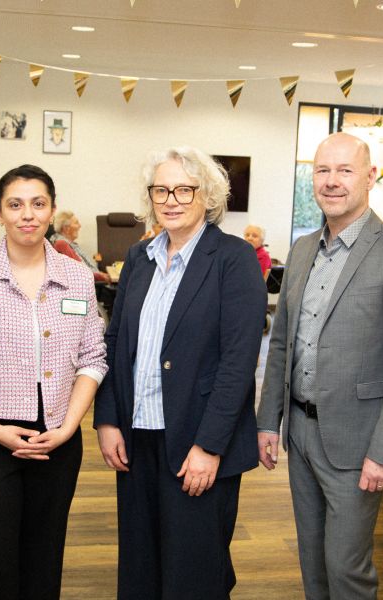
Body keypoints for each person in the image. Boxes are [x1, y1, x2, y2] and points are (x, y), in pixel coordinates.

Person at [256, 132, 383, 599]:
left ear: (371, 177)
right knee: (312, 561)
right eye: (321, 170)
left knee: (347, 568)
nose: (331, 182)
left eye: (344, 170)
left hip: (359, 443)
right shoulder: (301, 250)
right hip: (300, 430)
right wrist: (268, 421)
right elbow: (282, 346)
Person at [94, 147, 266, 599]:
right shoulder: (138, 257)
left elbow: (238, 362)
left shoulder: (233, 258)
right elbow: (115, 344)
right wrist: (108, 418)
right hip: (138, 438)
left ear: (206, 195)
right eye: (161, 190)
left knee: (194, 573)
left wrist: (209, 446)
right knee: (141, 567)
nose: (170, 199)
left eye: (183, 190)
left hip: (196, 442)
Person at [0, 164, 107, 599]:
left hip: (58, 440)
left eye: (38, 203)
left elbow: (93, 358)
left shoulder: (77, 277)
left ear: (51, 211)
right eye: (15, 204)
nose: (26, 214)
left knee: (43, 560)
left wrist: (68, 428)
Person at [52, 210, 110, 282]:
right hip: (91, 285)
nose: (80, 226)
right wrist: (104, 277)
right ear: (66, 229)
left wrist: (101, 274)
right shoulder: (62, 245)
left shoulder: (71, 244)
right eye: (76, 223)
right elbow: (81, 272)